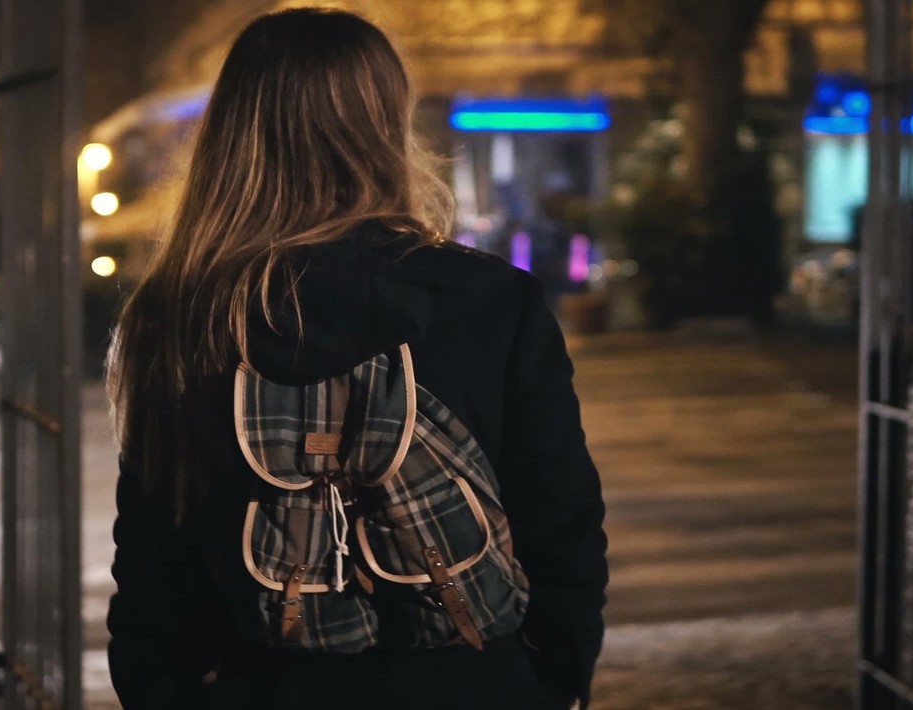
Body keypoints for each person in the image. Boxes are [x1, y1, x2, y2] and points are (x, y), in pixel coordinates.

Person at [105, 8, 608, 709]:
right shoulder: (490, 300)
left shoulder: (180, 314)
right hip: (470, 683)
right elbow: (562, 519)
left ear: (234, 134)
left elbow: (154, 554)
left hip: (260, 683)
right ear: (384, 125)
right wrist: (552, 679)